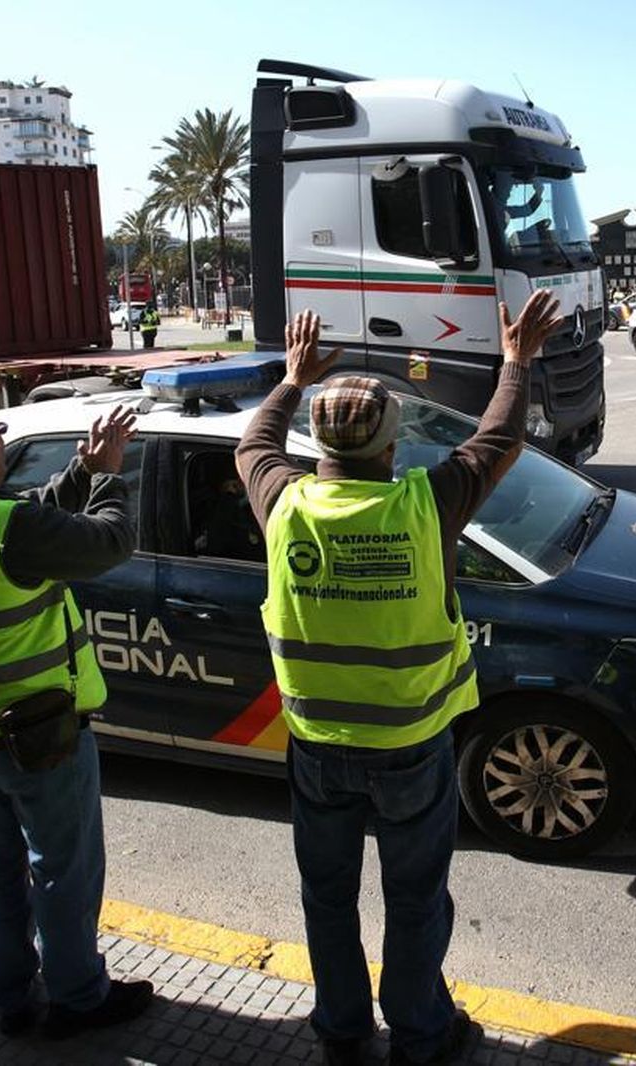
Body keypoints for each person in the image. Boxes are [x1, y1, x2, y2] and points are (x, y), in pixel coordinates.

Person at [237, 293, 564, 1066]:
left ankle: (342, 1029)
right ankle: (420, 1033)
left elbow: (254, 439)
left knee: (327, 897)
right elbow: (499, 438)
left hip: (317, 745)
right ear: (391, 447)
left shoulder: (282, 502)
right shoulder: (425, 504)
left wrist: (290, 379)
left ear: (320, 444)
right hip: (412, 745)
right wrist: (515, 363)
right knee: (415, 899)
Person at [0, 400, 154, 1039]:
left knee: (1, 870)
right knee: (63, 871)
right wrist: (108, 476)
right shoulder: (5, 527)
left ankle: (11, 995)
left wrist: (79, 466)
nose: (2, 441)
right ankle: (78, 998)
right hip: (38, 735)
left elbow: (30, 513)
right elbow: (110, 541)